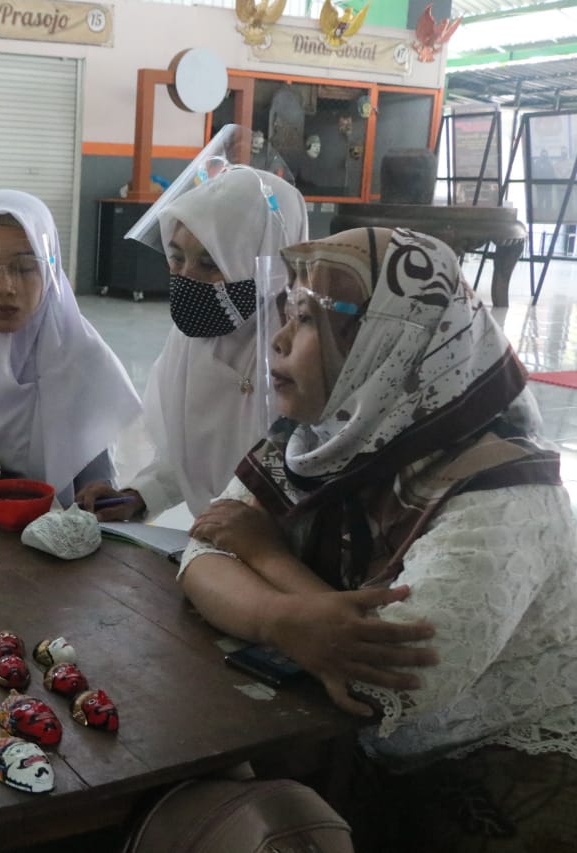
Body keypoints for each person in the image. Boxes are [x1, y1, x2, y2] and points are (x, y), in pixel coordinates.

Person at [180, 226, 576, 851]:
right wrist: (284, 619)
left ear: (393, 345)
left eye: (308, 320)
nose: (279, 338)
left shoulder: (503, 491)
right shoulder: (316, 439)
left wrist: (264, 556)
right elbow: (202, 550)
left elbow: (382, 676)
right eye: (289, 310)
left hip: (493, 759)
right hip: (359, 747)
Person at [77, 147, 308, 522]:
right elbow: (183, 454)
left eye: (209, 263)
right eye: (176, 258)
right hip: (216, 540)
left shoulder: (302, 351)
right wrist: (138, 494)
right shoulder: (189, 345)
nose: (186, 278)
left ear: (264, 261)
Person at [0, 189, 142, 507]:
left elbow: (97, 493)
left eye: (24, 268)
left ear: (50, 271)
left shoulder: (82, 360)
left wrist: (98, 499)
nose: (5, 288)